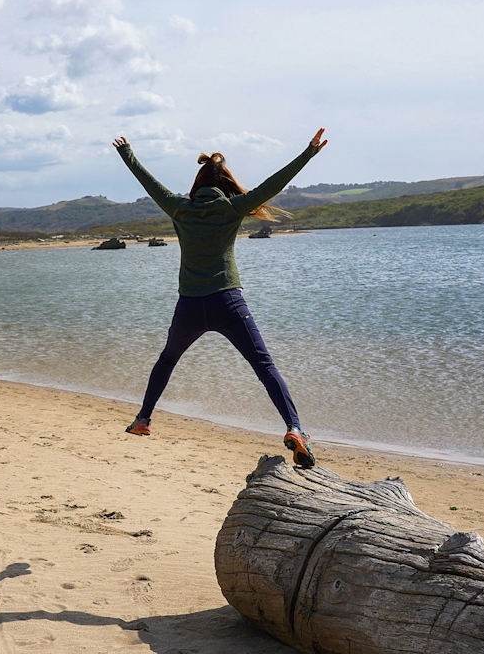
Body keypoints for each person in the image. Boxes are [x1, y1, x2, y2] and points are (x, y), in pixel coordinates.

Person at [112, 129, 328, 468]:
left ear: (197, 185)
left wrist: (127, 153)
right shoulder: (232, 207)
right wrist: (308, 153)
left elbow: (148, 182)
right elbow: (274, 184)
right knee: (265, 367)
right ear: (226, 184)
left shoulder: (179, 208)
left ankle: (143, 418)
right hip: (228, 303)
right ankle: (295, 428)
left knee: (168, 359)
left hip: (189, 307)